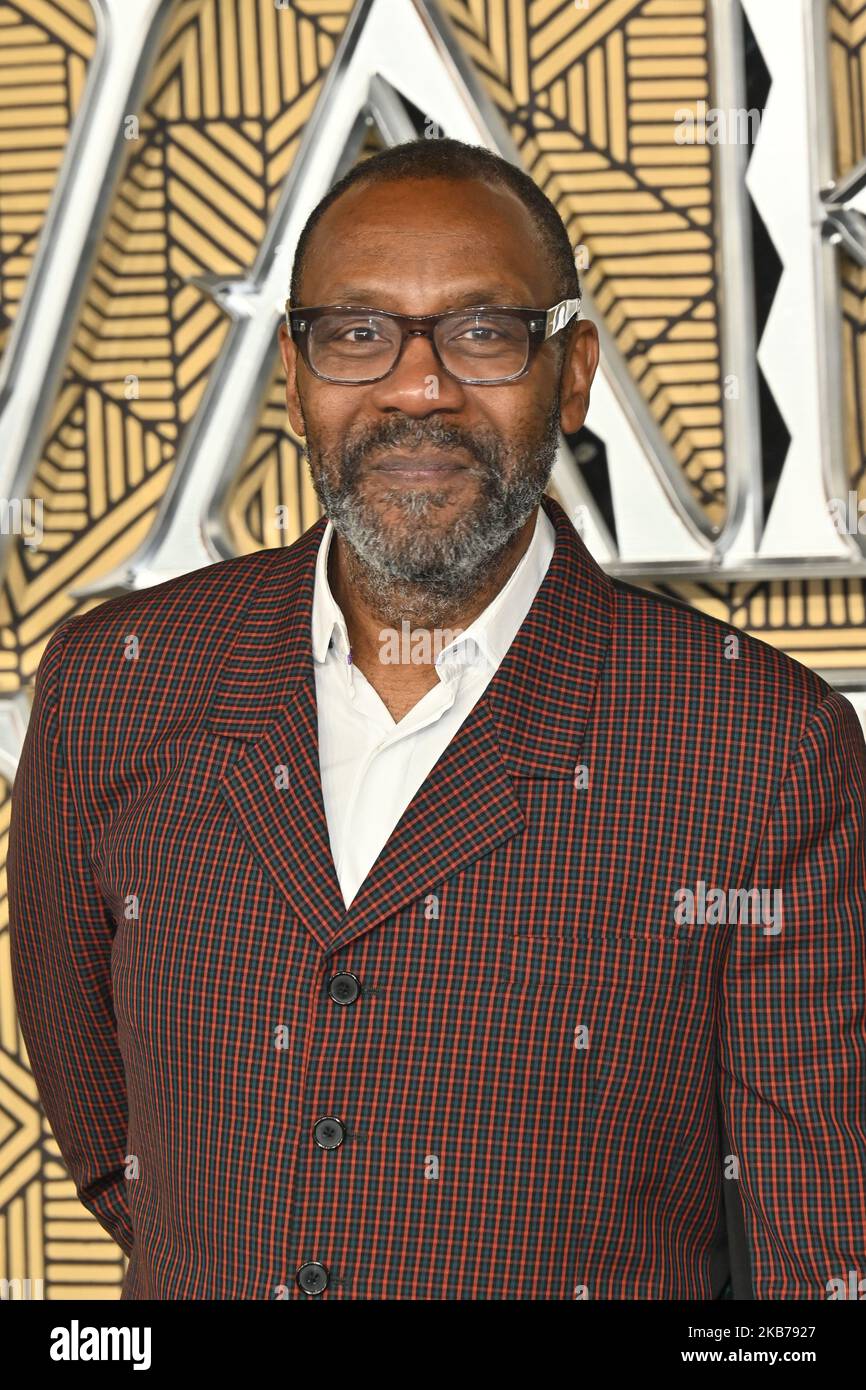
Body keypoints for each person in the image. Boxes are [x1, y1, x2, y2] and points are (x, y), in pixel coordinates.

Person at [9, 137, 866, 1300]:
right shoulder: (114, 680)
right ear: (296, 372)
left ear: (569, 372)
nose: (416, 388)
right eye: (357, 333)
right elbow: (116, 1154)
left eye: (481, 331)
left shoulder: (761, 746)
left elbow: (813, 1256)